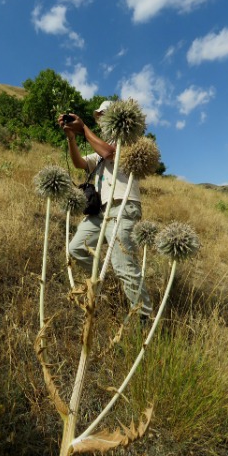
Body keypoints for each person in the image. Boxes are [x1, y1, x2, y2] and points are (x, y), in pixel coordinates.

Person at [58, 101, 153, 323]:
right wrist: (72, 137)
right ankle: (103, 278)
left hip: (122, 205)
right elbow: (80, 162)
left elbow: (111, 154)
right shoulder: (98, 150)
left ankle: (143, 317)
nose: (100, 119)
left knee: (124, 263)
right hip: (99, 211)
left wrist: (83, 129)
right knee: (76, 248)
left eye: (104, 115)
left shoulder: (130, 141)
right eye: (98, 116)